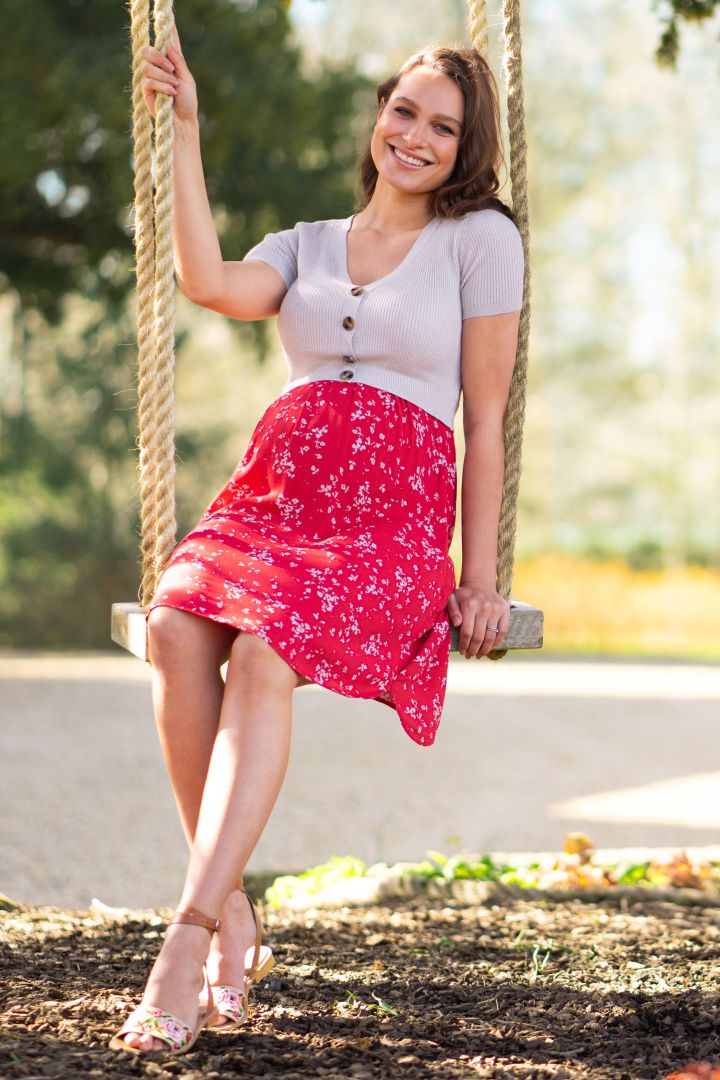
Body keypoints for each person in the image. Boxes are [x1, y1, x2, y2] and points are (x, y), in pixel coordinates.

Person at [109, 20, 524, 1055]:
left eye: (442, 127)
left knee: (263, 651)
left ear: (465, 150)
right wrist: (186, 127)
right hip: (276, 501)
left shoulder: (481, 241)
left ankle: (191, 931)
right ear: (378, 115)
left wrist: (480, 577)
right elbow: (208, 281)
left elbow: (485, 414)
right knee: (171, 623)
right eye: (404, 111)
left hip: (389, 524)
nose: (416, 137)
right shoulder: (304, 244)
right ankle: (237, 906)